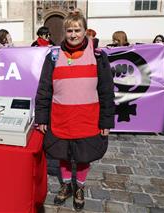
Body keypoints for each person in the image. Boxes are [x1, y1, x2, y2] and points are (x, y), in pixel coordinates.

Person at [35, 9, 115, 210]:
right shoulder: (53, 56)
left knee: (83, 156)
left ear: (84, 31)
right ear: (64, 32)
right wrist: (42, 118)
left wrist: (106, 121)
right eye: (69, 30)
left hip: (88, 118)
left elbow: (106, 91)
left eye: (77, 30)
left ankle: (79, 186)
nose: (73, 34)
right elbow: (44, 89)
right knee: (63, 155)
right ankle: (66, 186)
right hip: (61, 117)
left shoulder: (98, 56)